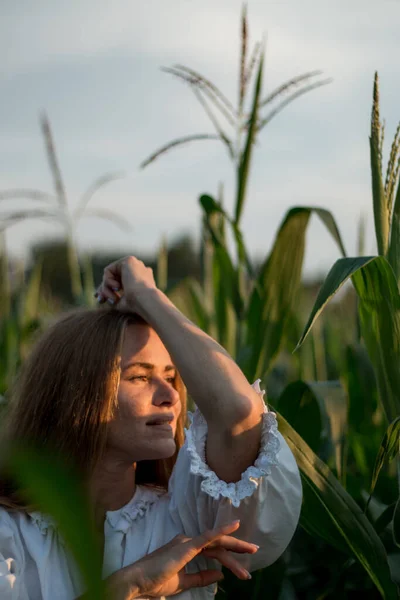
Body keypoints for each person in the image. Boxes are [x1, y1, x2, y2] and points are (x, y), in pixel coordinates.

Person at [0, 256, 302, 599]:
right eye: (141, 377)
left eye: (172, 377)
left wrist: (148, 294)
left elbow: (238, 412)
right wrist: (130, 586)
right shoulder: (10, 533)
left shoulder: (187, 517)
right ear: (74, 394)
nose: (170, 395)